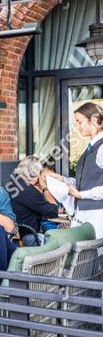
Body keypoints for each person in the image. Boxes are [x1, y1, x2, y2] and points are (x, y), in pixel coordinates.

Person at [65, 102, 103, 238]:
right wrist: (63, 180)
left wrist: (81, 195)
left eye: (79, 122)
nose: (77, 127)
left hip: (98, 215)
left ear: (93, 121)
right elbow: (87, 179)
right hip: (85, 213)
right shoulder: (91, 147)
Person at [9, 156, 59, 246]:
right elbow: (53, 211)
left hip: (18, 234)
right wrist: (45, 188)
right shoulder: (27, 190)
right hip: (30, 237)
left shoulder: (15, 183)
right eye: (40, 173)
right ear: (35, 173)